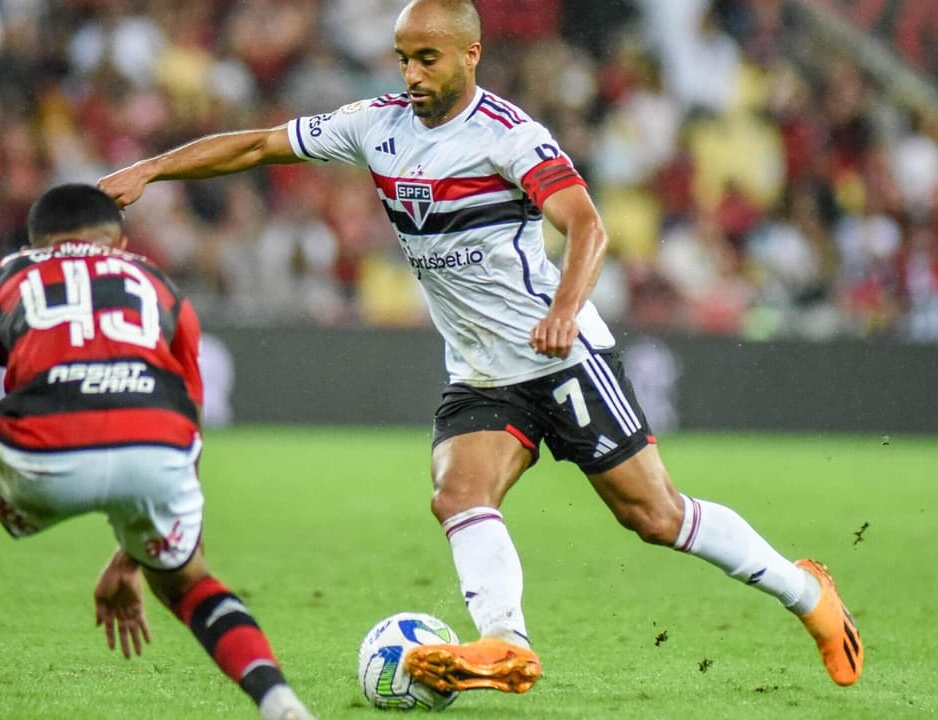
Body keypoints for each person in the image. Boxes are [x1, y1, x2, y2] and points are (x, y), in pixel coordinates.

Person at [97, 0, 863, 697]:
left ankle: (809, 596)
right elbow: (261, 145)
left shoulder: (508, 135)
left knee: (657, 518)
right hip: (481, 371)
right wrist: (154, 168)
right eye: (402, 58)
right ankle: (506, 643)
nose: (411, 73)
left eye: (426, 58)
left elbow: (587, 224)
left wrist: (567, 309)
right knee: (457, 495)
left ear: (470, 56)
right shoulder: (377, 124)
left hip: (562, 356)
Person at [0, 184, 316, 720]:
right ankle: (283, 706)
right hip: (157, 450)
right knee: (187, 579)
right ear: (121, 241)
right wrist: (138, 555)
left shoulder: (7, 277)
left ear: (37, 241)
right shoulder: (159, 286)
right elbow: (190, 424)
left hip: (45, 450)